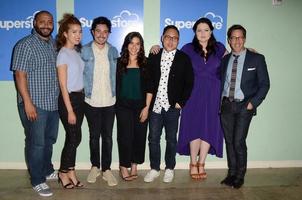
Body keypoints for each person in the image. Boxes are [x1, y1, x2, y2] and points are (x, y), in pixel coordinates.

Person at [11, 10, 59, 197]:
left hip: (53, 104)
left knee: (49, 140)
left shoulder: (54, 44)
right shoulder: (25, 45)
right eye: (42, 22)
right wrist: (28, 103)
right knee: (36, 143)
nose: (46, 25)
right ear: (34, 23)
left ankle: (47, 169)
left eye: (49, 22)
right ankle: (37, 180)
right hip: (34, 103)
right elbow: (20, 75)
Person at [220, 24, 270, 189]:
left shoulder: (256, 58)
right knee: (229, 141)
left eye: (240, 37)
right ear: (229, 40)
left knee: (238, 141)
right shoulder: (225, 60)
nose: (237, 41)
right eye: (233, 37)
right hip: (226, 106)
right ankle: (231, 173)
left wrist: (252, 103)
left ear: (245, 39)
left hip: (244, 106)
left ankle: (240, 176)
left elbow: (264, 84)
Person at [177, 17, 226, 180]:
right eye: (199, 30)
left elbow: (234, 58)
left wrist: (249, 50)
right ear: (195, 32)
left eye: (206, 30)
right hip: (193, 93)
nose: (203, 33)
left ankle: (202, 163)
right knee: (194, 127)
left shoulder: (220, 48)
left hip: (213, 93)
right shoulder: (187, 48)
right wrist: (155, 47)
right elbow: (175, 65)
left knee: (208, 127)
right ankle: (192, 163)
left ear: (211, 31)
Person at [144, 25, 194, 183]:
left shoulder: (184, 58)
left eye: (175, 38)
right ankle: (154, 168)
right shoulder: (154, 55)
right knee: (153, 138)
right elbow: (148, 81)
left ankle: (170, 168)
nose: (171, 40)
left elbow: (189, 82)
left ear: (178, 40)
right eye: (168, 37)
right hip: (155, 106)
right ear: (162, 38)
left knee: (171, 139)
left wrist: (181, 102)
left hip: (173, 107)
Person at [81, 16, 118, 186]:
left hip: (110, 101)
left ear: (109, 33)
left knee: (108, 137)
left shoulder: (113, 51)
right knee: (94, 136)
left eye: (105, 31)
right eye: (98, 31)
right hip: (91, 101)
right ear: (92, 32)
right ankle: (95, 166)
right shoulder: (84, 51)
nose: (102, 35)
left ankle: (107, 170)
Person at [116, 32, 153, 181]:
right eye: (131, 43)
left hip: (140, 106)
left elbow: (150, 87)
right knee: (124, 137)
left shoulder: (146, 63)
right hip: (122, 105)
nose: (134, 47)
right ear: (126, 45)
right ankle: (123, 166)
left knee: (139, 136)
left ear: (141, 46)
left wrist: (146, 108)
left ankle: (134, 165)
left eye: (138, 44)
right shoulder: (119, 63)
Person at [56, 14, 84, 189]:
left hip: (79, 98)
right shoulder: (63, 54)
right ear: (65, 34)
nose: (78, 35)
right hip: (69, 99)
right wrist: (70, 110)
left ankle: (71, 171)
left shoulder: (76, 52)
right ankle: (63, 172)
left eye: (80, 31)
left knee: (75, 137)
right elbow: (63, 85)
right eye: (74, 32)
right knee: (73, 137)